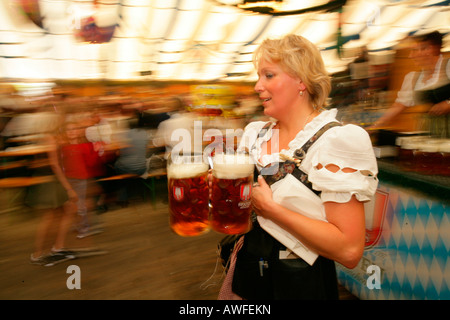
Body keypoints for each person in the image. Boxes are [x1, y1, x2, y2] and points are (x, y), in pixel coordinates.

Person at [218, 34, 378, 300]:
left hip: (299, 287)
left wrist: (273, 210)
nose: (258, 86)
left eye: (268, 75)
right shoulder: (255, 134)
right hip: (248, 279)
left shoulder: (336, 141)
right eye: (259, 76)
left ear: (301, 81)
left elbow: (349, 251)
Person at [26, 112, 79, 266]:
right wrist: (69, 189)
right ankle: (38, 254)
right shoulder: (50, 138)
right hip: (50, 182)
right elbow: (55, 165)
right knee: (49, 218)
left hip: (50, 180)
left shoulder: (49, 137)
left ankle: (57, 247)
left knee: (67, 210)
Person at [372, 31, 450, 129]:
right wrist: (374, 126)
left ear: (429, 49)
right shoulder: (413, 78)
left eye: (414, 50)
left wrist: (448, 104)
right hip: (434, 131)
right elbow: (398, 106)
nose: (410, 56)